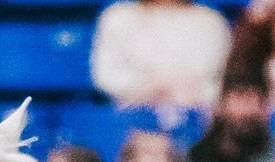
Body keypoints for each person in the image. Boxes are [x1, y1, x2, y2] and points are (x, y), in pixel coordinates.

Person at [88, 0, 231, 111]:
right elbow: (104, 77)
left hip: (197, 113)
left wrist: (184, 93)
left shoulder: (211, 22)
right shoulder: (117, 16)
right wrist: (150, 88)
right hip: (129, 113)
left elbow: (221, 80)